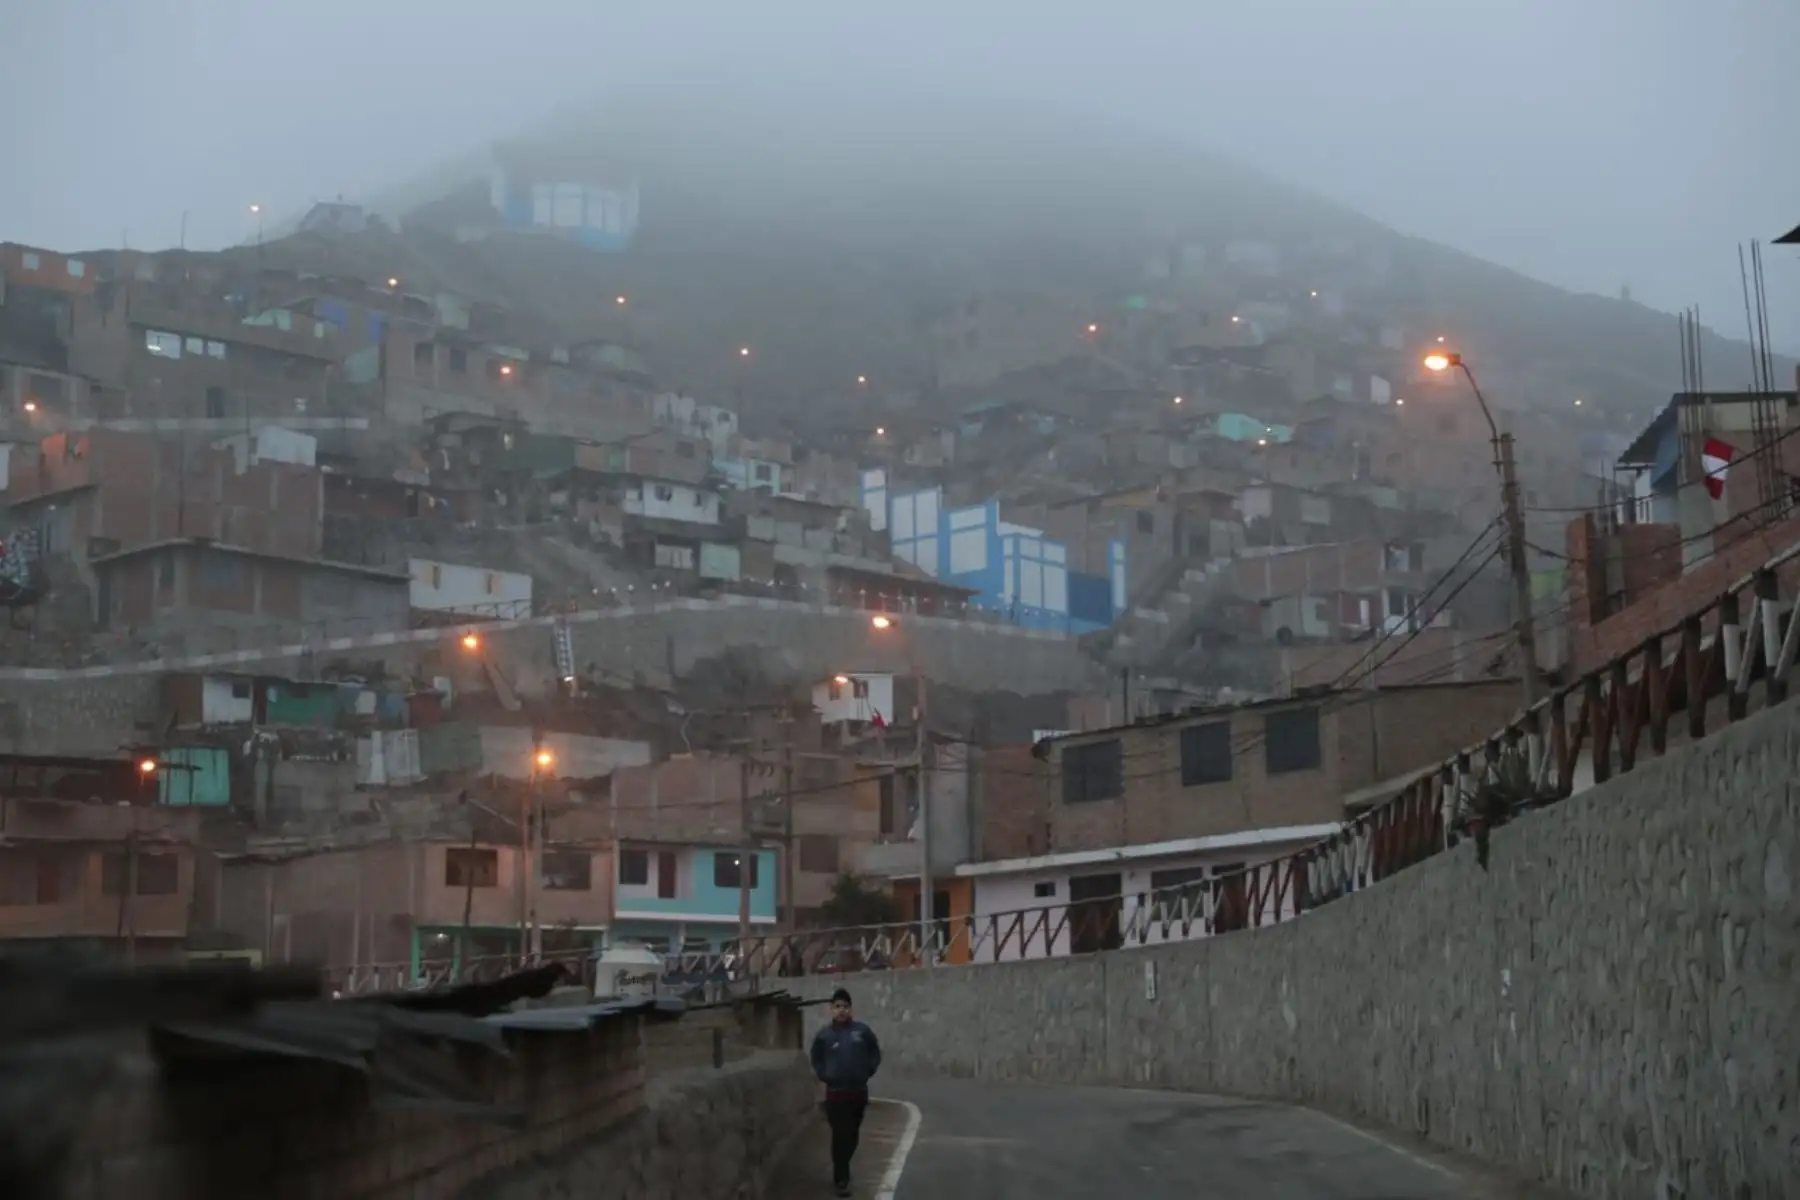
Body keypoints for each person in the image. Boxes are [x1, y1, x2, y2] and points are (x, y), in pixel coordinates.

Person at [809, 987, 882, 1196]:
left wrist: (868, 1070)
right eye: (838, 1006)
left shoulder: (862, 1032)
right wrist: (825, 1075)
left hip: (858, 1093)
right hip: (835, 1094)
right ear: (831, 1010)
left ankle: (842, 1165)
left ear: (851, 1009)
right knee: (840, 1134)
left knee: (852, 1135)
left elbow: (874, 1052)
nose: (842, 1010)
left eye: (845, 1007)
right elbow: (816, 1058)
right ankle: (841, 1177)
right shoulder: (824, 1036)